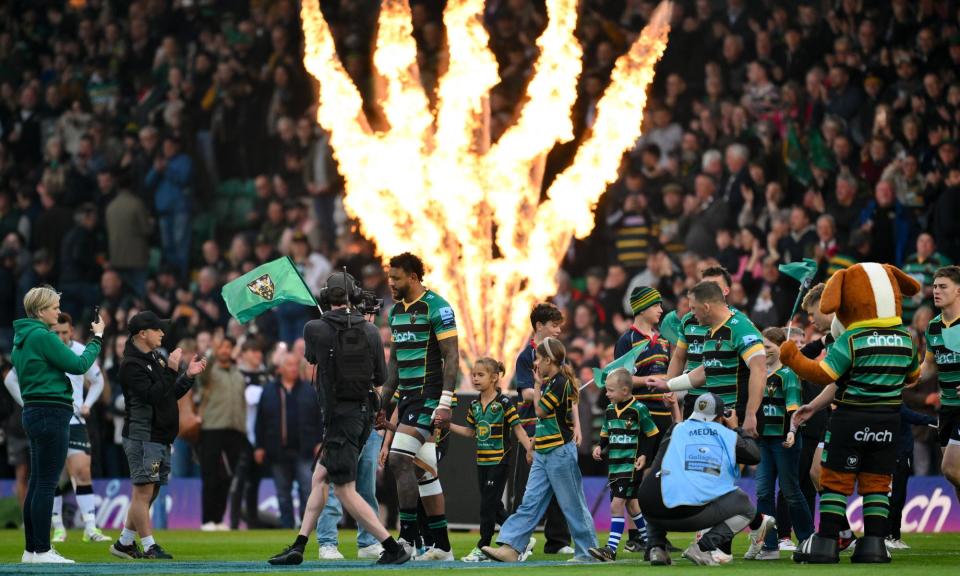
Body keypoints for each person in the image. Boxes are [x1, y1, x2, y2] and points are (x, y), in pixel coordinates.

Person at [268, 271, 409, 566]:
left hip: (338, 419)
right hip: (362, 417)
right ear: (353, 297)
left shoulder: (313, 328)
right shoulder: (371, 331)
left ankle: (391, 546)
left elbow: (313, 363)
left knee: (344, 490)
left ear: (324, 297)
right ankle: (299, 545)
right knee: (319, 477)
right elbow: (381, 377)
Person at [481, 338, 598, 562]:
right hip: (544, 452)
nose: (535, 362)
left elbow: (541, 412)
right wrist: (533, 445)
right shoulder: (553, 382)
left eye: (538, 358)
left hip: (559, 452)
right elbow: (545, 423)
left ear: (548, 360)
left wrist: (535, 384)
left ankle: (588, 551)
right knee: (530, 502)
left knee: (572, 504)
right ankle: (511, 548)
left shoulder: (559, 382)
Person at [12, 286, 104, 564]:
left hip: (33, 411)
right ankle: (41, 550)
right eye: (53, 307)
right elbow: (78, 365)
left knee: (38, 482)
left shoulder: (22, 337)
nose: (57, 311)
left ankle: (32, 550)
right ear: (41, 311)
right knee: (46, 483)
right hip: (52, 412)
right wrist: (96, 338)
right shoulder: (43, 336)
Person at [378, 253, 460, 560]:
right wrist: (382, 403)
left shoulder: (437, 307)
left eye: (396, 277)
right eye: (390, 277)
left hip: (429, 396)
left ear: (413, 277)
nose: (391, 283)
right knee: (425, 473)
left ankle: (408, 541)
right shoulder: (395, 312)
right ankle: (442, 547)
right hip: (408, 398)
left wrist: (444, 404)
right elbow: (395, 364)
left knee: (399, 460)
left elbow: (451, 357)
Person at [635, 393, 774, 566]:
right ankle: (703, 547)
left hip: (649, 509)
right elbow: (754, 456)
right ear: (720, 415)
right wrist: (737, 429)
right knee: (745, 505)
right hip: (688, 515)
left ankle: (656, 547)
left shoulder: (676, 429)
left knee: (661, 482)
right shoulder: (726, 435)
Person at [110, 311, 206, 560]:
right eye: (158, 329)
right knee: (143, 491)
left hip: (158, 435)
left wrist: (188, 376)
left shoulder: (153, 358)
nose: (163, 333)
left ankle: (124, 543)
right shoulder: (131, 365)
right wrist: (172, 370)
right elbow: (152, 395)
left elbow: (167, 394)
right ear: (143, 334)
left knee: (149, 492)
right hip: (143, 435)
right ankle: (150, 545)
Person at [654, 280, 766, 437]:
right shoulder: (711, 331)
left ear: (706, 307)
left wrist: (750, 414)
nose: (691, 313)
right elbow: (707, 371)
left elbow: (760, 369)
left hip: (736, 417)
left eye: (693, 308)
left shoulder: (740, 326)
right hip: (717, 417)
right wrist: (668, 385)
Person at [448, 358, 532, 562]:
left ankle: (482, 546)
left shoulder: (504, 403)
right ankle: (522, 538)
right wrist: (447, 425)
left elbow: (518, 429)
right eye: (473, 375)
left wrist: (530, 449)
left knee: (487, 505)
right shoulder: (474, 404)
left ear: (495, 377)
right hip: (482, 461)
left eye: (480, 375)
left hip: (499, 460)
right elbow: (470, 432)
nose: (475, 378)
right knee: (493, 506)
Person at [744, 327, 812, 561]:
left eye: (770, 348)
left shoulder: (789, 375)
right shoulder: (757, 374)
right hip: (763, 442)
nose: (765, 352)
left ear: (781, 348)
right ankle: (770, 546)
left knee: (791, 491)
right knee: (763, 492)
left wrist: (792, 431)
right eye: (762, 347)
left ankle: (807, 539)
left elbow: (794, 407)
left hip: (784, 441)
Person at [512, 302, 575, 555]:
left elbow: (571, 391)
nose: (558, 330)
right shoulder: (526, 357)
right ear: (539, 326)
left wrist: (576, 425)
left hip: (556, 427)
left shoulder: (559, 354)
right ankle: (520, 540)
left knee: (560, 484)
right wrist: (547, 391)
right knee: (526, 488)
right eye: (554, 325)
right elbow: (526, 392)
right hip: (530, 428)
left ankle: (557, 542)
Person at [587, 368, 660, 562]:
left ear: (625, 390)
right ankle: (650, 542)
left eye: (610, 390)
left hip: (630, 467)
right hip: (615, 466)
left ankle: (610, 550)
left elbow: (652, 433)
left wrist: (644, 455)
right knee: (632, 506)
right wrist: (599, 446)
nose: (607, 394)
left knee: (616, 505)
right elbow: (605, 432)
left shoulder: (638, 409)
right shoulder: (610, 410)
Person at [254, 354, 322, 529]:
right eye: (289, 365)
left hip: (304, 449)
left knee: (307, 489)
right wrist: (259, 446)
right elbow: (260, 421)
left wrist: (319, 442)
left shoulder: (309, 390)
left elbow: (318, 419)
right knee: (282, 493)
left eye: (295, 365)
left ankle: (307, 527)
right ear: (280, 368)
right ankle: (286, 526)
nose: (293, 368)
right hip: (277, 450)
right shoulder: (269, 390)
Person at [197, 337, 248, 531]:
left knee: (227, 477)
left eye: (229, 347)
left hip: (235, 431)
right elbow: (201, 376)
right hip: (212, 429)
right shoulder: (209, 372)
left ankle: (218, 520)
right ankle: (207, 520)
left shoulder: (238, 374)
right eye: (222, 347)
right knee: (210, 476)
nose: (226, 350)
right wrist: (211, 351)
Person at [919, 266, 960, 500]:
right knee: (955, 476)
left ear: (958, 291)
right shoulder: (933, 326)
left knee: (950, 467)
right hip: (947, 409)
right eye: (934, 286)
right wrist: (907, 378)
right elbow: (930, 366)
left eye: (943, 287)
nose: (936, 291)